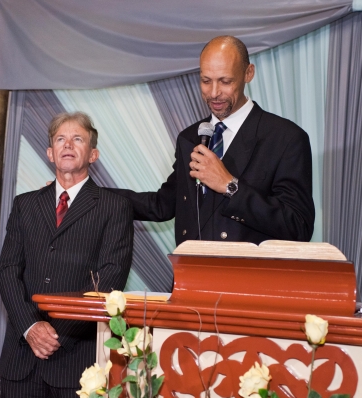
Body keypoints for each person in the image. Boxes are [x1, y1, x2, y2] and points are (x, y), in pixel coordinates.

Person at [110, 36, 315, 246]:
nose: (214, 93)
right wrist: (93, 195)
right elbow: (162, 205)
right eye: (206, 81)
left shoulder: (286, 138)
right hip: (190, 267)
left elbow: (298, 226)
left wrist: (230, 186)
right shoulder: (189, 138)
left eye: (225, 81)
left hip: (247, 268)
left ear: (248, 73)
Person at [0, 112, 133, 398]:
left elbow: (110, 278)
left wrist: (55, 334)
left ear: (93, 154)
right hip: (22, 357)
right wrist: (31, 327)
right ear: (50, 153)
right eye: (60, 139)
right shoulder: (25, 204)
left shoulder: (115, 207)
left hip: (78, 360)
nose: (68, 144)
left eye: (77, 139)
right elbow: (7, 270)